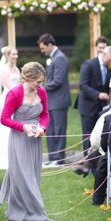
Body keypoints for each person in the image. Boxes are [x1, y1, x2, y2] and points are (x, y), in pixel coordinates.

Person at [0, 62, 59, 221]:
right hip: (19, 138)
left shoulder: (42, 92)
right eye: (37, 82)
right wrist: (23, 127)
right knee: (22, 177)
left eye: (42, 82)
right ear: (26, 78)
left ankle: (25, 215)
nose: (41, 85)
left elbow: (45, 114)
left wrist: (42, 128)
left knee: (32, 174)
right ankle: (29, 216)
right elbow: (4, 119)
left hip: (35, 139)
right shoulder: (15, 93)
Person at [75, 43, 111, 174]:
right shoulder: (89, 65)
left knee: (100, 135)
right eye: (109, 60)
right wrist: (97, 94)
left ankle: (98, 164)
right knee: (88, 135)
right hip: (88, 105)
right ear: (103, 54)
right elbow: (82, 85)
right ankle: (87, 165)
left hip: (102, 107)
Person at [38, 33, 70, 165]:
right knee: (50, 130)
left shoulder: (60, 58)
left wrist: (41, 87)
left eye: (43, 48)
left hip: (59, 101)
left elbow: (58, 80)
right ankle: (52, 158)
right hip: (51, 101)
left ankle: (59, 158)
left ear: (50, 45)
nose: (42, 51)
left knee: (59, 130)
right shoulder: (53, 57)